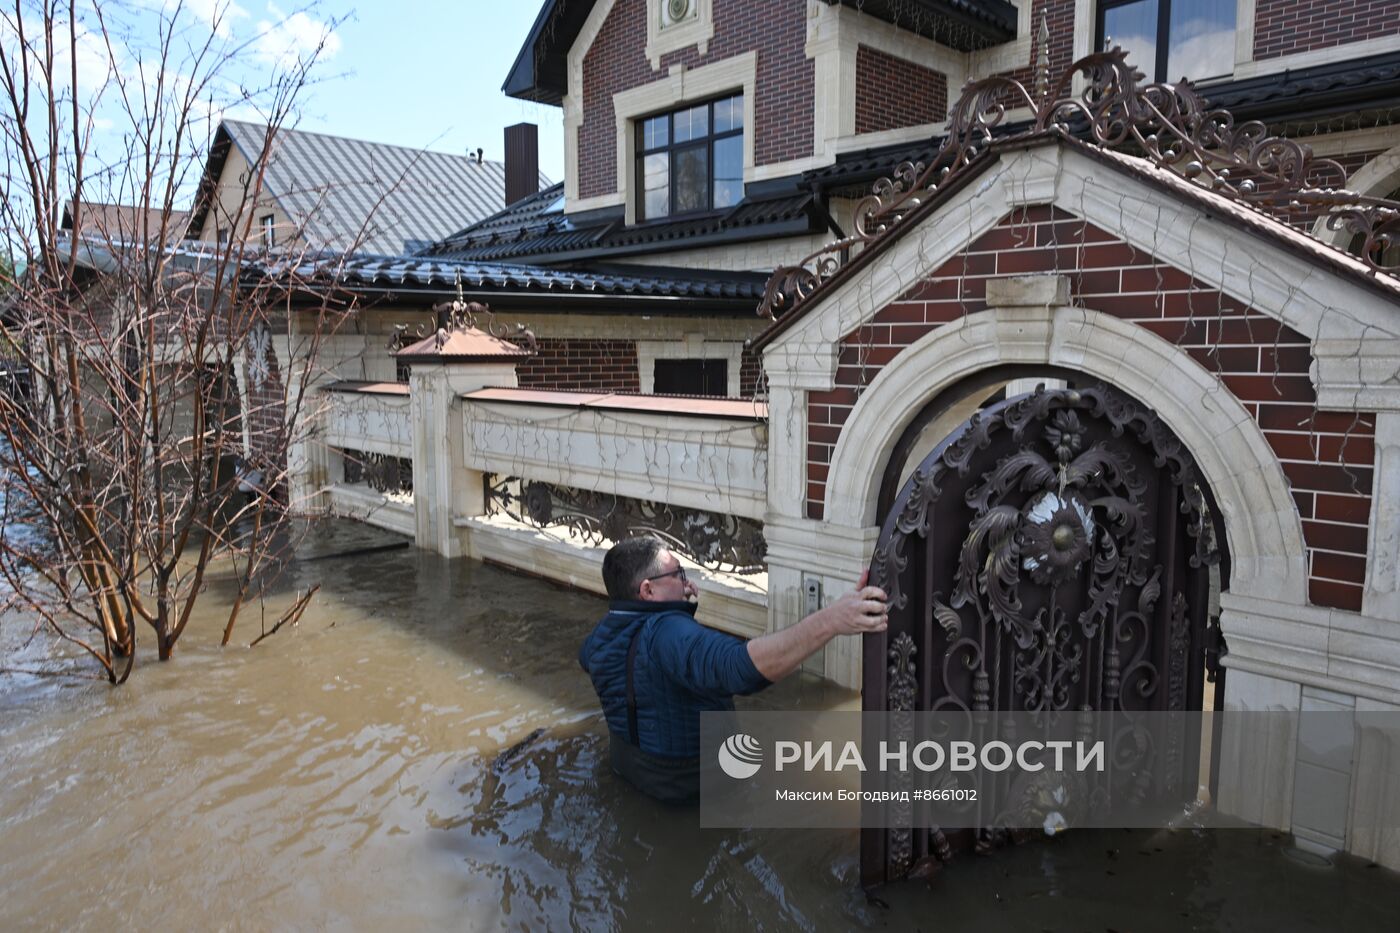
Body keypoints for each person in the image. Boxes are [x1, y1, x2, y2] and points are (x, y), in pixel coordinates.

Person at [579, 536, 889, 801]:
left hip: (629, 771)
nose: (688, 583)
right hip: (691, 789)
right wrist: (832, 620)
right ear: (647, 591)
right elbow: (738, 668)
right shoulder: (668, 634)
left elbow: (634, 664)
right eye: (678, 574)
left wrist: (677, 610)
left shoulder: (602, 634)